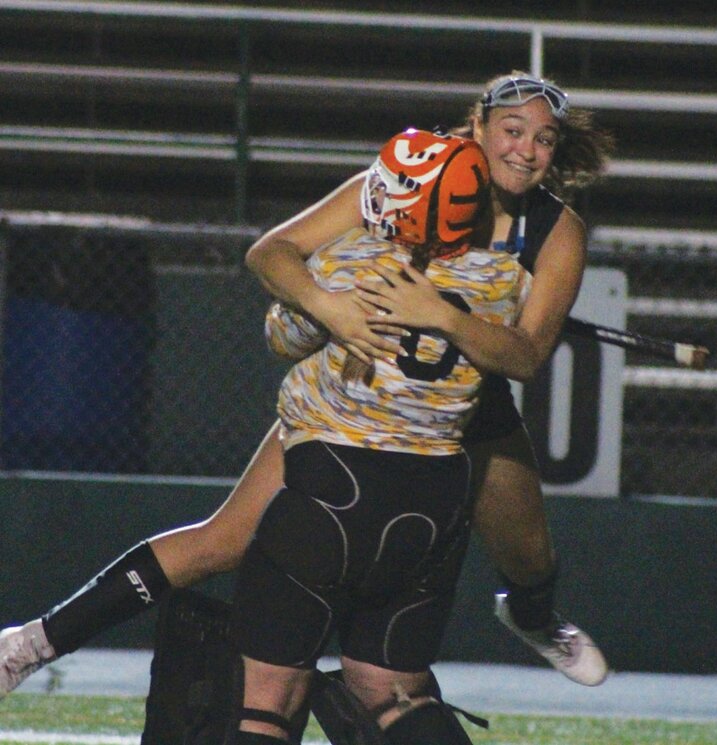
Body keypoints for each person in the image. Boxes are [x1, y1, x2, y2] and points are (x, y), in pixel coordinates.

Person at [0, 71, 614, 698]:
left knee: (530, 559)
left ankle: (534, 619)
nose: (526, 150)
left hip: (466, 412)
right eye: (512, 131)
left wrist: (445, 316)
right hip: (355, 397)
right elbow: (272, 252)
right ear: (478, 126)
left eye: (544, 139)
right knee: (221, 541)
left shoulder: (554, 230)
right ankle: (28, 645)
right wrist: (329, 306)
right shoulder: (406, 175)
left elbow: (527, 357)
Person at [228, 128, 527, 744]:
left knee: (268, 699)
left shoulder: (349, 261)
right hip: (434, 506)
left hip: (335, 491)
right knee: (395, 695)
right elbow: (519, 356)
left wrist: (328, 307)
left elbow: (281, 337)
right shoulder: (503, 282)